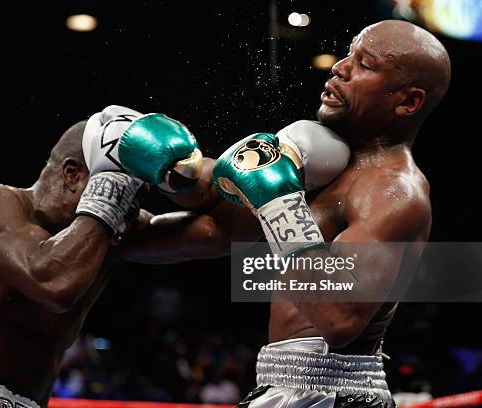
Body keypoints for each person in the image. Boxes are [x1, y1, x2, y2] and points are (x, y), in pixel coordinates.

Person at [122, 20, 450, 407]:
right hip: (281, 384)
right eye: (347, 54)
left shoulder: (394, 192)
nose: (339, 68)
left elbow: (339, 319)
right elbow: (221, 225)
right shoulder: (320, 157)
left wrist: (278, 202)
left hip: (335, 393)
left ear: (407, 102)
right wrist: (172, 172)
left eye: (365, 65)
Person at [0, 105, 203, 408]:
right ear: (72, 174)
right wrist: (108, 193)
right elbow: (52, 282)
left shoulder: (112, 233)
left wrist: (209, 171)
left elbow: (219, 234)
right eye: (122, 190)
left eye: (136, 196)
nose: (128, 206)